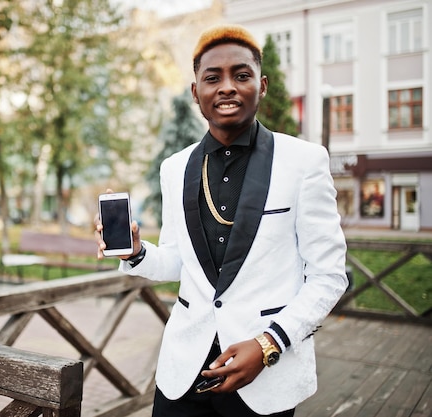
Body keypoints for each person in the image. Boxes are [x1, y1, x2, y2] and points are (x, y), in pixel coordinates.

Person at [95, 24, 348, 417]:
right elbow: (180, 262)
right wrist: (137, 252)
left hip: (263, 374)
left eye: (241, 75)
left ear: (261, 86)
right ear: (196, 92)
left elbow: (329, 276)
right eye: (212, 78)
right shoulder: (174, 168)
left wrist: (269, 343)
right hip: (183, 372)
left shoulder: (304, 161)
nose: (227, 86)